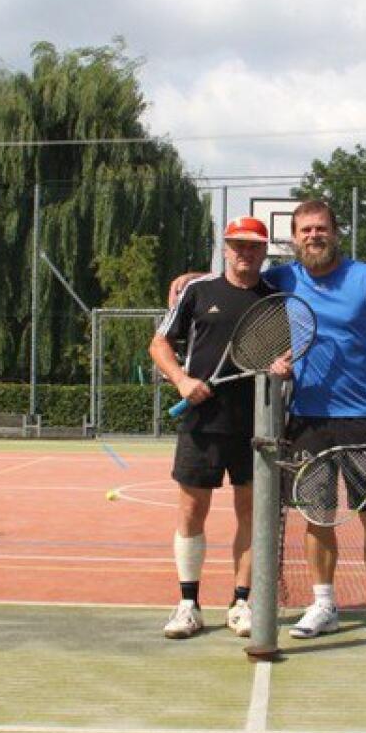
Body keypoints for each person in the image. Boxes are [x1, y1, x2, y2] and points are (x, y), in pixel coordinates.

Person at [266, 200, 366, 647]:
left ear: (336, 232)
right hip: (307, 419)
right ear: (294, 238)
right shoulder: (282, 279)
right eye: (305, 230)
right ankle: (324, 605)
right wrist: (191, 280)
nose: (313, 236)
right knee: (316, 517)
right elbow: (235, 283)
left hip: (362, 419)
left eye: (321, 228)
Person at [148, 216, 276, 640]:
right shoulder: (197, 292)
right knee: (191, 511)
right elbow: (159, 343)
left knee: (251, 514)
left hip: (257, 423)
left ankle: (242, 603)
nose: (245, 252)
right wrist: (181, 380)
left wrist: (283, 366)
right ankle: (188, 604)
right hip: (202, 422)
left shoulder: (275, 297)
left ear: (264, 251)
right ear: (225, 248)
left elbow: (285, 353)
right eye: (238, 245)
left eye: (253, 246)